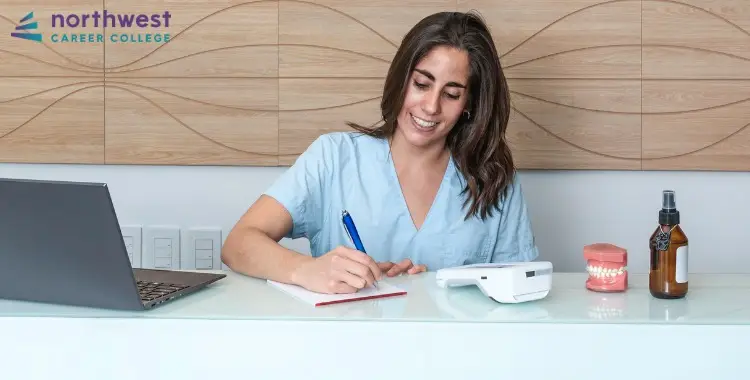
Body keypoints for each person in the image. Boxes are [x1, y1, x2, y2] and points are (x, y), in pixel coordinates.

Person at [221, 10, 539, 294]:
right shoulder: (333, 157)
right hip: (344, 350)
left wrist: (435, 289)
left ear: (469, 105)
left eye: (452, 94)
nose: (430, 106)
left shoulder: (495, 179)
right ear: (401, 80)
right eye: (421, 84)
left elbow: (519, 286)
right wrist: (307, 270)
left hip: (455, 354)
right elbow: (238, 243)